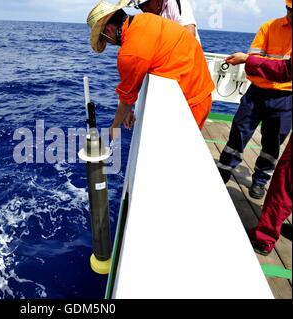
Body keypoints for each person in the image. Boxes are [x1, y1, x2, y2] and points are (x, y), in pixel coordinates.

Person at [86, 0, 214, 137]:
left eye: (104, 39)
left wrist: (115, 126)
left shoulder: (129, 53)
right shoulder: (146, 18)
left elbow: (126, 96)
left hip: (191, 104)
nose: (108, 43)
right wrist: (129, 110)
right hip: (203, 89)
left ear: (109, 30)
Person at [216, 0, 292, 200]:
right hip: (257, 92)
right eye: (290, 10)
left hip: (286, 97)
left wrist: (261, 63)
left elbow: (258, 63)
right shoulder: (269, 27)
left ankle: (259, 180)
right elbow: (253, 62)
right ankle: (223, 171)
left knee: (274, 141)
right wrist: (266, 65)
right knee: (238, 132)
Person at [225, 52, 292, 256]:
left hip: (282, 97)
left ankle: (264, 237)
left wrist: (248, 59)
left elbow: (285, 70)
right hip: (262, 93)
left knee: (286, 182)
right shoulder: (269, 28)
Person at [132, 0, 201, 42]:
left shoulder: (176, 2)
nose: (143, 8)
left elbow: (190, 34)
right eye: (140, 5)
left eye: (145, 3)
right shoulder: (151, 15)